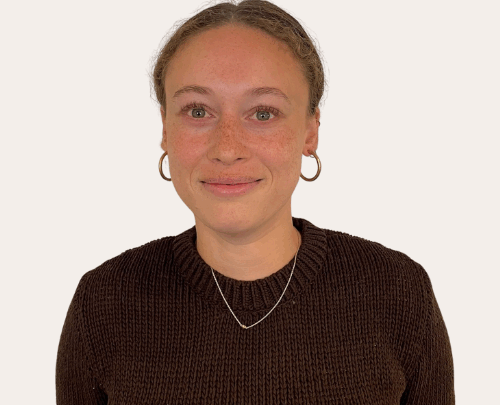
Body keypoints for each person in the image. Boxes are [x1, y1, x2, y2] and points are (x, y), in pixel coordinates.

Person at [55, 0, 455, 403]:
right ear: (165, 128)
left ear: (310, 131)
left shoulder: (398, 294)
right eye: (198, 111)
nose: (227, 149)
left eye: (263, 113)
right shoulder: (104, 303)